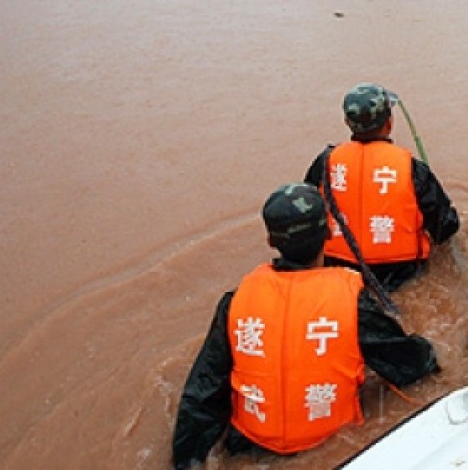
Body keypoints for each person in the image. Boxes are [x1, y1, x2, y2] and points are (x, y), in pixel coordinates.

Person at [172, 183, 439, 468]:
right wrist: (432, 353)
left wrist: (186, 460)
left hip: (249, 447)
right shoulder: (350, 300)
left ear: (270, 241)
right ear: (327, 234)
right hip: (336, 449)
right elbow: (406, 366)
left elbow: (204, 390)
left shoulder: (236, 302)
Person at [304, 82, 460, 292]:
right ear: (389, 122)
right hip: (401, 270)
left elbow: (305, 212)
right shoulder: (413, 169)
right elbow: (445, 226)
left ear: (347, 122)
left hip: (339, 266)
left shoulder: (325, 162)